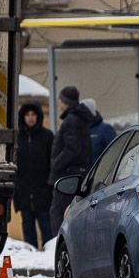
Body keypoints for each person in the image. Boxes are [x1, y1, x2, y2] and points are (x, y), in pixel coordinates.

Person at [48, 85, 94, 234]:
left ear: (64, 101)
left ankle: (58, 243)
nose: (59, 104)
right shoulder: (78, 118)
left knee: (58, 212)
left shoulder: (71, 120)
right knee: (70, 211)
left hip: (67, 174)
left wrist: (56, 164)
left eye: (60, 100)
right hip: (75, 172)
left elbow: (72, 149)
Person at [14, 102, 54, 248]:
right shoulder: (17, 138)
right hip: (24, 193)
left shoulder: (47, 137)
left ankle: (48, 257)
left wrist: (50, 187)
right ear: (22, 117)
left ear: (38, 117)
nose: (30, 118)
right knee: (28, 230)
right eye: (27, 115)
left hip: (43, 193)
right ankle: (30, 257)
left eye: (33, 115)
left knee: (47, 229)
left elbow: (52, 163)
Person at [81, 98, 117, 163]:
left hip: (102, 171)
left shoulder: (105, 129)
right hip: (83, 172)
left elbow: (115, 152)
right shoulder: (78, 131)